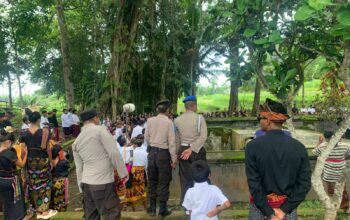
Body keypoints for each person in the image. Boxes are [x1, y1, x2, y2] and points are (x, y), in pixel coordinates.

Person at [245, 99, 311, 220]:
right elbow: (304, 184)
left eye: (261, 118)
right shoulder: (299, 147)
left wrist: (269, 213)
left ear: (269, 120)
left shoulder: (252, 147)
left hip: (260, 209)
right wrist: (283, 210)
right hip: (287, 211)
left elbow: (254, 183)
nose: (259, 121)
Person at [72, 109, 128, 220]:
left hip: (86, 184)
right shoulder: (100, 131)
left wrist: (81, 187)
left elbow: (79, 168)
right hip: (103, 183)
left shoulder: (77, 141)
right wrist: (123, 173)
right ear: (95, 118)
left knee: (91, 216)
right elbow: (113, 153)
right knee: (112, 214)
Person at [20, 109, 57, 219]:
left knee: (33, 184)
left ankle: (36, 208)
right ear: (39, 120)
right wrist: (50, 161)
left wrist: (24, 162)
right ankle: (44, 211)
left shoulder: (24, 133)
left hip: (31, 161)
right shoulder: (44, 132)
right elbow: (48, 149)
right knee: (45, 185)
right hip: (42, 161)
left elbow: (22, 150)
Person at [145, 100, 176, 217]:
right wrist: (173, 159)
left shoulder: (150, 121)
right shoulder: (169, 123)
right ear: (167, 110)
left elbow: (146, 138)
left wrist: (152, 145)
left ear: (157, 110)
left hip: (152, 153)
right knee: (164, 181)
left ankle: (152, 208)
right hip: (163, 154)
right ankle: (162, 210)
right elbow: (172, 143)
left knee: (152, 181)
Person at [174, 96, 208, 203]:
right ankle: (202, 201)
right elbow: (203, 137)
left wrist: (177, 155)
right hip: (197, 150)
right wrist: (192, 148)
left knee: (185, 178)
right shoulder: (200, 118)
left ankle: (186, 202)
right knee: (201, 176)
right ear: (194, 106)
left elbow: (177, 140)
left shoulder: (177, 120)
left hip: (183, 150)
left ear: (185, 107)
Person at [312, 130, 350, 214]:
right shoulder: (345, 146)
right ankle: (345, 207)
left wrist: (319, 141)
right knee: (342, 191)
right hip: (340, 173)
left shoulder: (323, 146)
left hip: (329, 173)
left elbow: (314, 152)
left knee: (331, 190)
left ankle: (332, 207)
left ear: (325, 138)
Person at [0, 127, 31, 220]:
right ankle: (20, 217)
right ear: (8, 142)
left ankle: (8, 217)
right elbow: (21, 164)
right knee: (17, 199)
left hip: (1, 179)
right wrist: (26, 153)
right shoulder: (9, 154)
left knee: (6, 200)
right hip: (11, 181)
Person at [124, 135, 148, 211]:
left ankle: (134, 209)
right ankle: (145, 207)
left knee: (132, 189)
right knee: (142, 189)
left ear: (135, 145)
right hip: (142, 172)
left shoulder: (132, 152)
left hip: (133, 172)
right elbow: (147, 164)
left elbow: (128, 162)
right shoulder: (146, 152)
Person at [51, 144, 70, 211]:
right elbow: (68, 164)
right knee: (62, 203)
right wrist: (64, 157)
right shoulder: (64, 162)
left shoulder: (51, 161)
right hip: (62, 183)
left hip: (54, 182)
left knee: (55, 202)